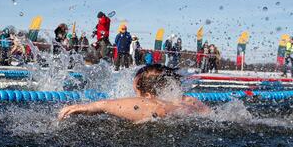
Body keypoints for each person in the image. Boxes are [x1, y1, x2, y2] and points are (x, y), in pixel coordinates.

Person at [58, 64, 209, 123]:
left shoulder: (157, 105)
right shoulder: (190, 101)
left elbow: (149, 107)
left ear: (148, 94)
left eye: (136, 90)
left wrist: (91, 106)